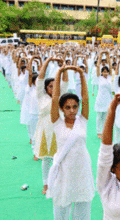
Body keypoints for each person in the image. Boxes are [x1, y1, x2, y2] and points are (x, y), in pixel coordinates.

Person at [47, 65, 95, 220]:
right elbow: (54, 98)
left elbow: (86, 98)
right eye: (67, 107)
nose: (72, 110)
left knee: (83, 202)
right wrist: (59, 73)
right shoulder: (57, 122)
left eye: (75, 107)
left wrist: (81, 74)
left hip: (82, 167)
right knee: (62, 202)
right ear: (61, 108)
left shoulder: (82, 121)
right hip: (64, 169)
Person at [34, 57, 68, 195]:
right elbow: (40, 79)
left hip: (59, 131)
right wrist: (47, 61)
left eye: (55, 86)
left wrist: (63, 67)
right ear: (45, 88)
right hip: (45, 132)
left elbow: (65, 81)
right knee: (46, 160)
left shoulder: (60, 98)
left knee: (60, 160)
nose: (53, 89)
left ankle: (60, 184)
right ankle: (46, 184)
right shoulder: (41, 96)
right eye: (50, 86)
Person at [95, 61, 112, 139]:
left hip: (108, 99)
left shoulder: (110, 78)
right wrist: (101, 55)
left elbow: (111, 66)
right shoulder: (99, 78)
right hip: (100, 99)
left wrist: (108, 55)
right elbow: (98, 66)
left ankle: (104, 131)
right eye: (104, 72)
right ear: (101, 72)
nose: (105, 73)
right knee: (99, 117)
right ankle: (99, 132)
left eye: (106, 72)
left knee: (106, 116)